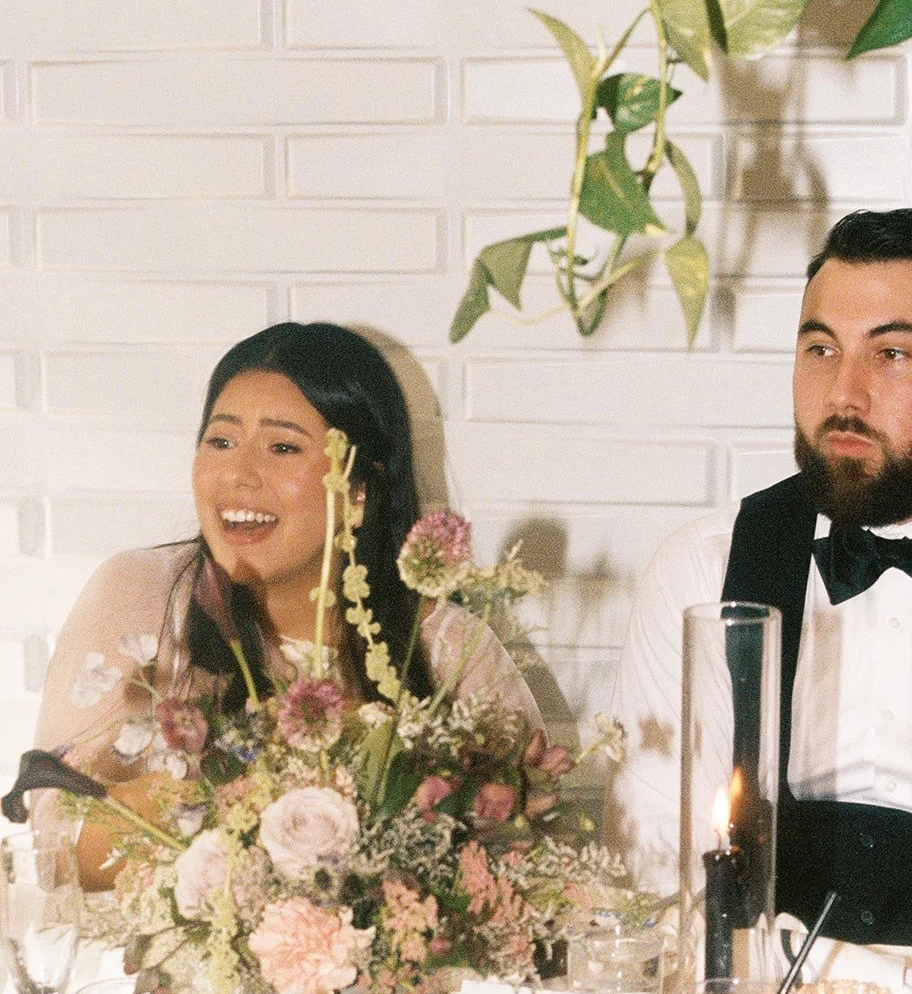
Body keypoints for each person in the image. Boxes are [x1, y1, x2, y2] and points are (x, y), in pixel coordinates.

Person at [607, 208, 912, 949]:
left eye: (891, 355)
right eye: (820, 348)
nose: (844, 394)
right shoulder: (704, 569)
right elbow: (657, 854)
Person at [34, 322, 540, 888]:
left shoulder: (451, 652)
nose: (237, 474)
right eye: (220, 441)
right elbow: (51, 839)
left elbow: (529, 870)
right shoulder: (141, 596)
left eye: (282, 447)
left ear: (358, 491)